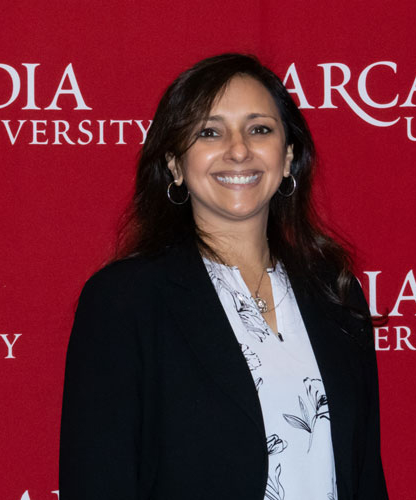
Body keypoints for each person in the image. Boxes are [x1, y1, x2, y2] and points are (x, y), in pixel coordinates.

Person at [59, 53, 388, 500]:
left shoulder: (335, 292)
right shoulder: (124, 300)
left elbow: (365, 476)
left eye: (260, 130)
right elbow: (98, 482)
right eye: (209, 132)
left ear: (288, 156)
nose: (238, 149)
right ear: (175, 165)